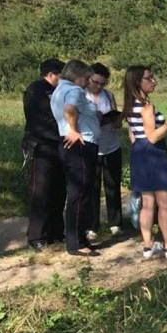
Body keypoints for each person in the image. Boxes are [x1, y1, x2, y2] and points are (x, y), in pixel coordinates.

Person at [123, 65, 167, 260]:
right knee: (165, 204)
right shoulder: (146, 107)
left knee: (147, 203)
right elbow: (153, 137)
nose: (154, 81)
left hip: (139, 154)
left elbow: (133, 134)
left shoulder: (130, 105)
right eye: (149, 78)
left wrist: (140, 147)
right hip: (153, 155)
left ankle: (148, 246)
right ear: (138, 82)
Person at [50, 59, 100, 257]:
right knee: (80, 193)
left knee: (78, 193)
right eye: (87, 78)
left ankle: (79, 238)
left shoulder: (59, 89)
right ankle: (76, 242)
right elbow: (70, 110)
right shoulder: (74, 90)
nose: (88, 82)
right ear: (78, 76)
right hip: (80, 145)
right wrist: (75, 130)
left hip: (68, 145)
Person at [22, 57, 65, 252]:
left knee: (58, 190)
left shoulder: (58, 90)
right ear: (51, 74)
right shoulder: (35, 90)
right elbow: (38, 120)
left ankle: (56, 232)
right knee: (41, 191)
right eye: (60, 75)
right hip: (41, 146)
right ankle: (36, 236)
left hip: (59, 145)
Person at [84, 62, 124, 240]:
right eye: (96, 82)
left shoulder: (108, 95)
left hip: (111, 146)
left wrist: (115, 120)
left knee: (113, 185)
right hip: (91, 146)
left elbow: (118, 121)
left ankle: (115, 223)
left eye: (103, 83)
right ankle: (92, 225)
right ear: (88, 78)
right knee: (92, 187)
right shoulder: (81, 95)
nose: (99, 86)